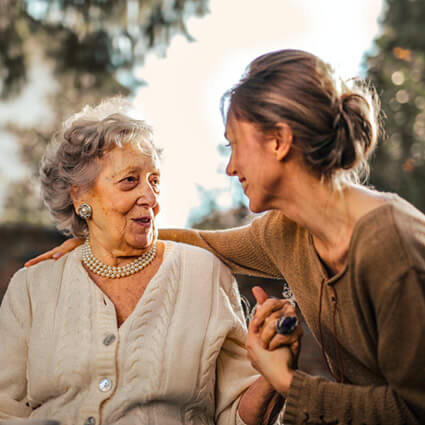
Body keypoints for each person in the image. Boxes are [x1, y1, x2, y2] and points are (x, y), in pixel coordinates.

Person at [26, 49, 425, 425]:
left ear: (279, 141)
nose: (231, 167)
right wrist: (99, 236)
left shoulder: (392, 244)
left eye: (235, 145)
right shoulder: (286, 232)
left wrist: (287, 383)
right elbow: (204, 242)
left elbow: (414, 410)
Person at [0, 99, 287, 425]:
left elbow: (237, 416)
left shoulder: (204, 275)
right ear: (80, 196)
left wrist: (272, 375)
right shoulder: (32, 287)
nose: (150, 199)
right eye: (130, 181)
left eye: (155, 181)